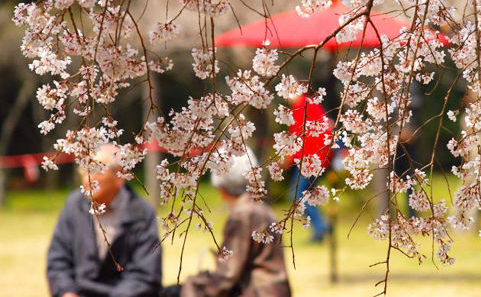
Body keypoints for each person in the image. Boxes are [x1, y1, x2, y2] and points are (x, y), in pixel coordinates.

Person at [163, 147, 291, 297]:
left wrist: (190, 290)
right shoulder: (262, 208)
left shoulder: (242, 215)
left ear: (222, 187)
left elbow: (227, 275)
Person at [47, 145, 162, 297]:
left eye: (95, 169)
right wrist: (66, 291)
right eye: (84, 168)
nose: (87, 176)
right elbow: (58, 260)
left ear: (120, 176)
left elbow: (145, 276)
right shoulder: (74, 205)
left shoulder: (141, 213)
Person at [287, 94, 332, 242]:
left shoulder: (301, 107)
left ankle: (321, 226)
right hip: (317, 157)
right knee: (306, 195)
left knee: (299, 196)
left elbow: (298, 137)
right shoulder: (310, 104)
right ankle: (321, 226)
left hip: (309, 160)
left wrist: (290, 159)